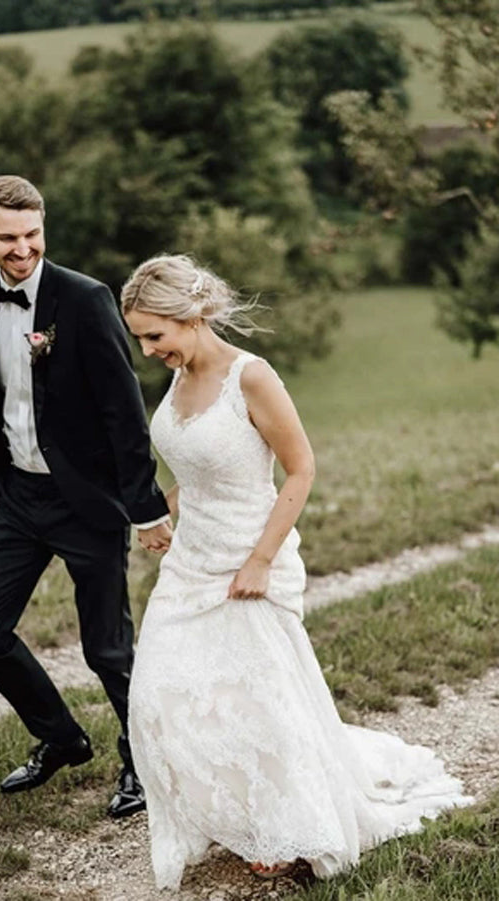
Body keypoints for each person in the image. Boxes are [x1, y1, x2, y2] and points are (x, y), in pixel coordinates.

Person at [120, 253, 472, 888]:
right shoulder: (179, 375)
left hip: (248, 557)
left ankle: (280, 824)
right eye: (140, 338)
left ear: (192, 316)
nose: (147, 351)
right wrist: (157, 513)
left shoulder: (251, 377)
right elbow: (199, 471)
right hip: (191, 561)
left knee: (256, 698)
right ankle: (231, 811)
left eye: (154, 335)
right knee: (160, 692)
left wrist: (260, 560)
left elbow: (301, 468)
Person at [0, 175, 172, 817]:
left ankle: (142, 764)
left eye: (32, 234)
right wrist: (0, 473)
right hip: (19, 497)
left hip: (87, 502)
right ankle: (61, 738)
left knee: (107, 649)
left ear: (43, 228)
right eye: (7, 237)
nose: (22, 248)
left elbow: (124, 411)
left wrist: (145, 506)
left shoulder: (84, 299)